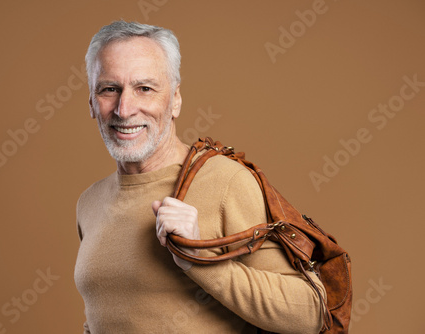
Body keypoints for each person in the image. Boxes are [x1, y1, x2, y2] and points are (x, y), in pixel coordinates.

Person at [74, 20, 325, 334]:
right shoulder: (90, 202)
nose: (124, 109)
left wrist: (200, 259)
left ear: (175, 100)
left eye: (145, 89)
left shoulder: (226, 182)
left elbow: (310, 313)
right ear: (91, 103)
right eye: (110, 89)